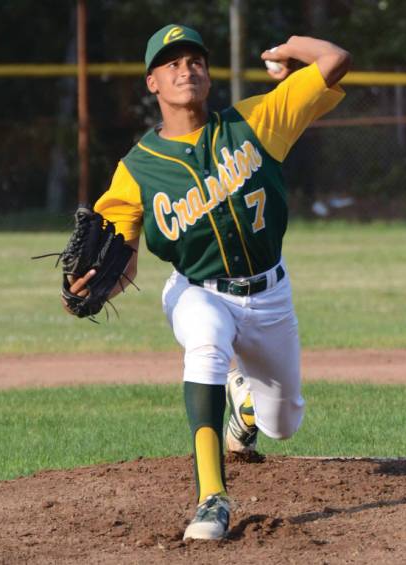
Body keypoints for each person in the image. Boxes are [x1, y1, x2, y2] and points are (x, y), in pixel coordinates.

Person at [64, 23, 351, 540]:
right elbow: (119, 257)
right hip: (198, 291)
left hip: (270, 296)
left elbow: (333, 60)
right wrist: (93, 288)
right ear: (152, 83)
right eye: (171, 63)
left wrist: (286, 50)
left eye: (194, 59)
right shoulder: (138, 170)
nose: (185, 69)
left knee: (282, 425)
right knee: (204, 344)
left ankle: (244, 409)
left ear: (209, 74)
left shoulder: (256, 121)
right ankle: (212, 498)